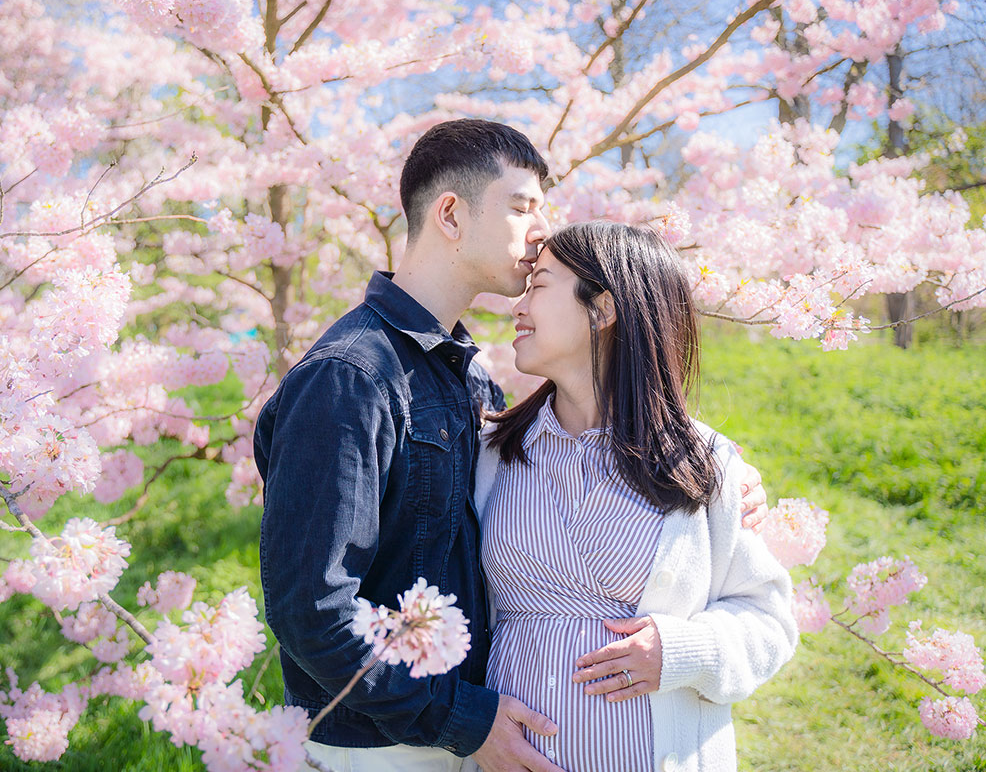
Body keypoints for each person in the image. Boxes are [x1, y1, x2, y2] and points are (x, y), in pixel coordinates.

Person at [254, 120, 768, 772]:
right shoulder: (352, 375)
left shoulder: (471, 382)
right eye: (522, 207)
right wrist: (462, 720)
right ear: (450, 214)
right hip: (383, 745)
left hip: (465, 740)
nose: (540, 231)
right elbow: (311, 607)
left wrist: (719, 474)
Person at [469, 221, 798, 772]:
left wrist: (682, 651)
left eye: (539, 286)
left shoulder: (703, 464)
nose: (517, 307)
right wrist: (471, 727)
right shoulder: (490, 451)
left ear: (602, 308)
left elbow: (768, 619)